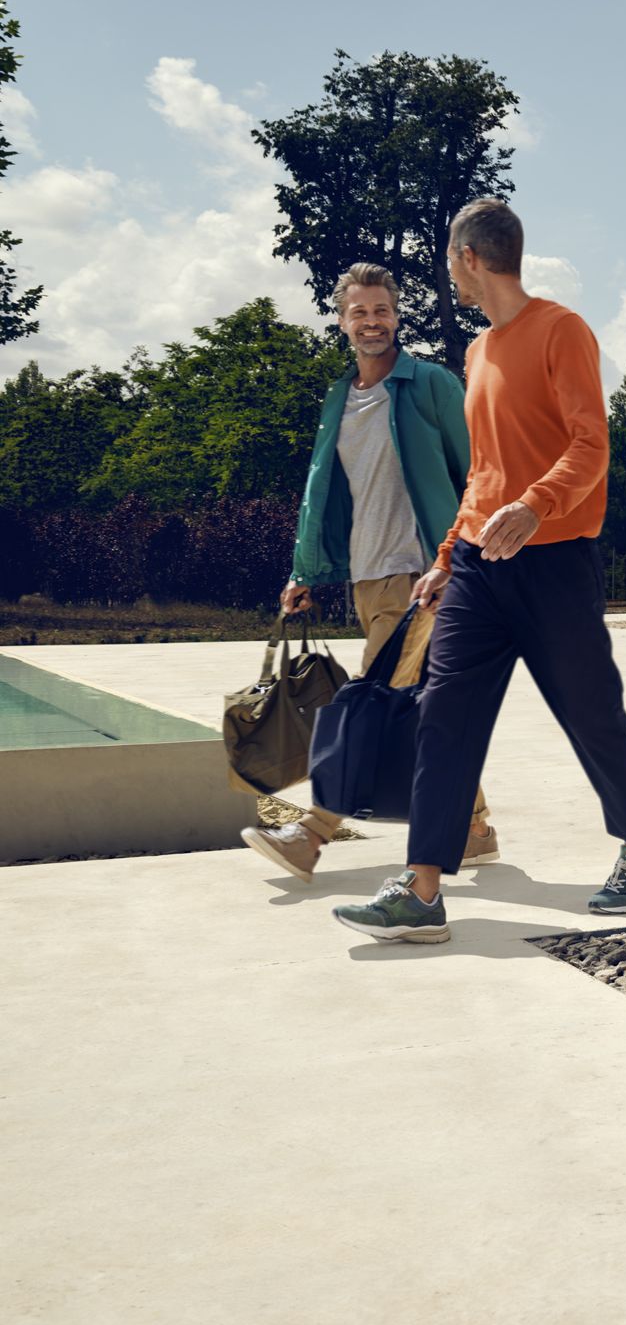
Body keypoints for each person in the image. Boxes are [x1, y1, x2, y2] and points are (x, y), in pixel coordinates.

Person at [332, 201, 626, 944]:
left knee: (589, 711)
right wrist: (451, 554)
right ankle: (421, 889)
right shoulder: (478, 353)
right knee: (443, 712)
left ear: (466, 259)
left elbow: (590, 445)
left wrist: (535, 505)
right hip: (482, 568)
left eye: (449, 259)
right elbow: (483, 471)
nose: (448, 271)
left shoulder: (561, 330)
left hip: (554, 565)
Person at [241, 262, 498, 882]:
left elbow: (479, 468)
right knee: (424, 708)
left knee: (369, 704)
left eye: (382, 310)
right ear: (342, 321)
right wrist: (305, 569)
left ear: (396, 317)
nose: (372, 321)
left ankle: (312, 833)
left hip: (422, 575)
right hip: (367, 575)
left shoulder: (430, 384)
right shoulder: (339, 397)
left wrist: (460, 556)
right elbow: (320, 490)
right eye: (359, 312)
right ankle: (475, 828)